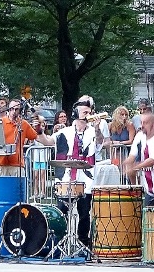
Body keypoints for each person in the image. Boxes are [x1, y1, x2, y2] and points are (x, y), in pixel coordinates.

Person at [34, 98, 104, 246]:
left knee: (84, 214)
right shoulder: (64, 132)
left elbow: (99, 142)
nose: (88, 113)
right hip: (65, 179)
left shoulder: (93, 131)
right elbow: (46, 141)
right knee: (62, 211)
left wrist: (97, 128)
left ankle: (84, 243)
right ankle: (60, 241)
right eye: (84, 111)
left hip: (86, 180)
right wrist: (39, 130)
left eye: (89, 111)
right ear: (75, 113)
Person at [0, 98, 38, 177]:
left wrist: (37, 126)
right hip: (2, 163)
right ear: (8, 109)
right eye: (11, 109)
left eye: (16, 109)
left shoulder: (23, 123)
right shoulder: (0, 122)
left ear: (20, 110)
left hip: (17, 164)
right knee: (2, 188)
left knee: (17, 188)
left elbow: (34, 136)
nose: (13, 111)